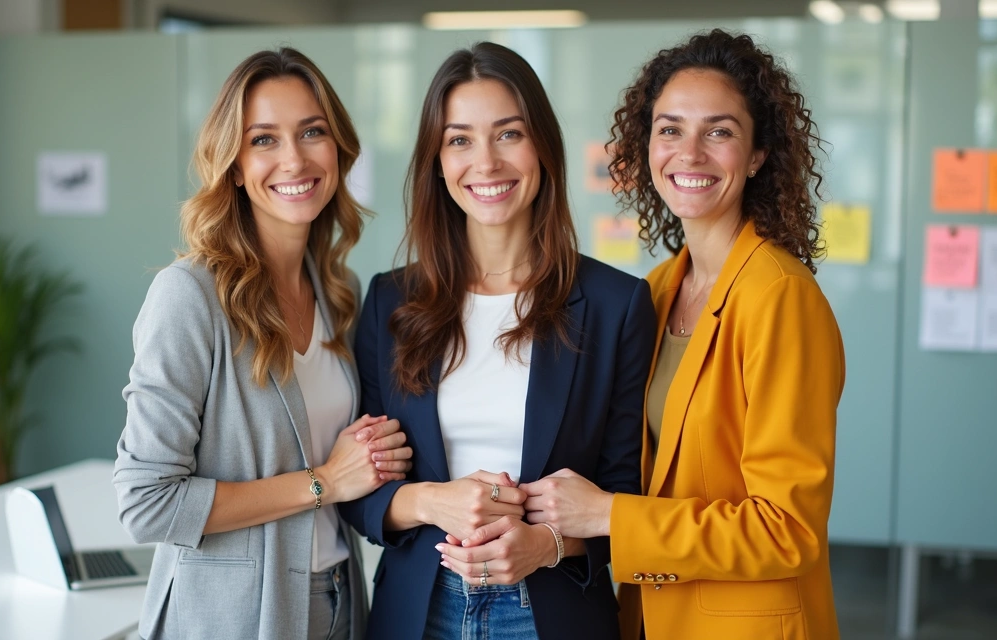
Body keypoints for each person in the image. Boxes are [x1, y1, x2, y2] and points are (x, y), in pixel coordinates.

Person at [507, 30, 847, 640]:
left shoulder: (779, 297)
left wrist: (610, 515)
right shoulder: (658, 290)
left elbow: (787, 530)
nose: (689, 153)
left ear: (758, 154)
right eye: (669, 129)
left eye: (719, 131)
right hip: (652, 618)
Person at [338, 42, 654, 640]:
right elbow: (361, 490)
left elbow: (625, 497)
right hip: (418, 612)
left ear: (543, 148)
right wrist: (434, 502)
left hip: (554, 613)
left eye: (508, 134)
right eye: (459, 139)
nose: (485, 162)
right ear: (437, 161)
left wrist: (546, 545)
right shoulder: (391, 301)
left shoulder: (617, 304)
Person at [113, 48, 413, 640]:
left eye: (312, 132)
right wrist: (325, 480)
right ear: (232, 164)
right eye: (264, 140)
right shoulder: (189, 297)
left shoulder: (337, 290)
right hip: (232, 615)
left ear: (339, 149)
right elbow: (147, 504)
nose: (294, 158)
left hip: (339, 596)